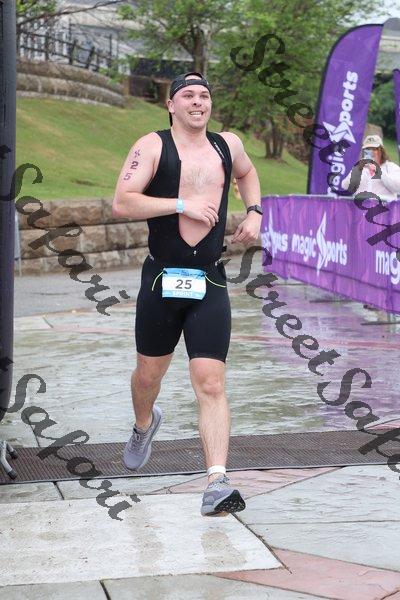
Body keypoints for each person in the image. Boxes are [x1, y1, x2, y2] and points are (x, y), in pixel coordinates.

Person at [112, 71, 263, 516]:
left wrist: (255, 211)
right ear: (171, 105)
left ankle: (217, 481)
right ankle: (144, 424)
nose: (198, 102)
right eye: (188, 96)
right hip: (161, 280)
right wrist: (182, 205)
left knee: (211, 382)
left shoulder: (228, 145)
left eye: (204, 95)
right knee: (148, 377)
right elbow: (123, 201)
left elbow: (248, 172)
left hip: (209, 280)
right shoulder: (152, 146)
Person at [341, 134, 400, 201]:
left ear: (381, 151)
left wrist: (379, 172)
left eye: (374, 149)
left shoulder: (391, 167)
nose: (371, 152)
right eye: (368, 149)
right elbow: (345, 186)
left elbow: (398, 187)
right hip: (361, 207)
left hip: (384, 207)